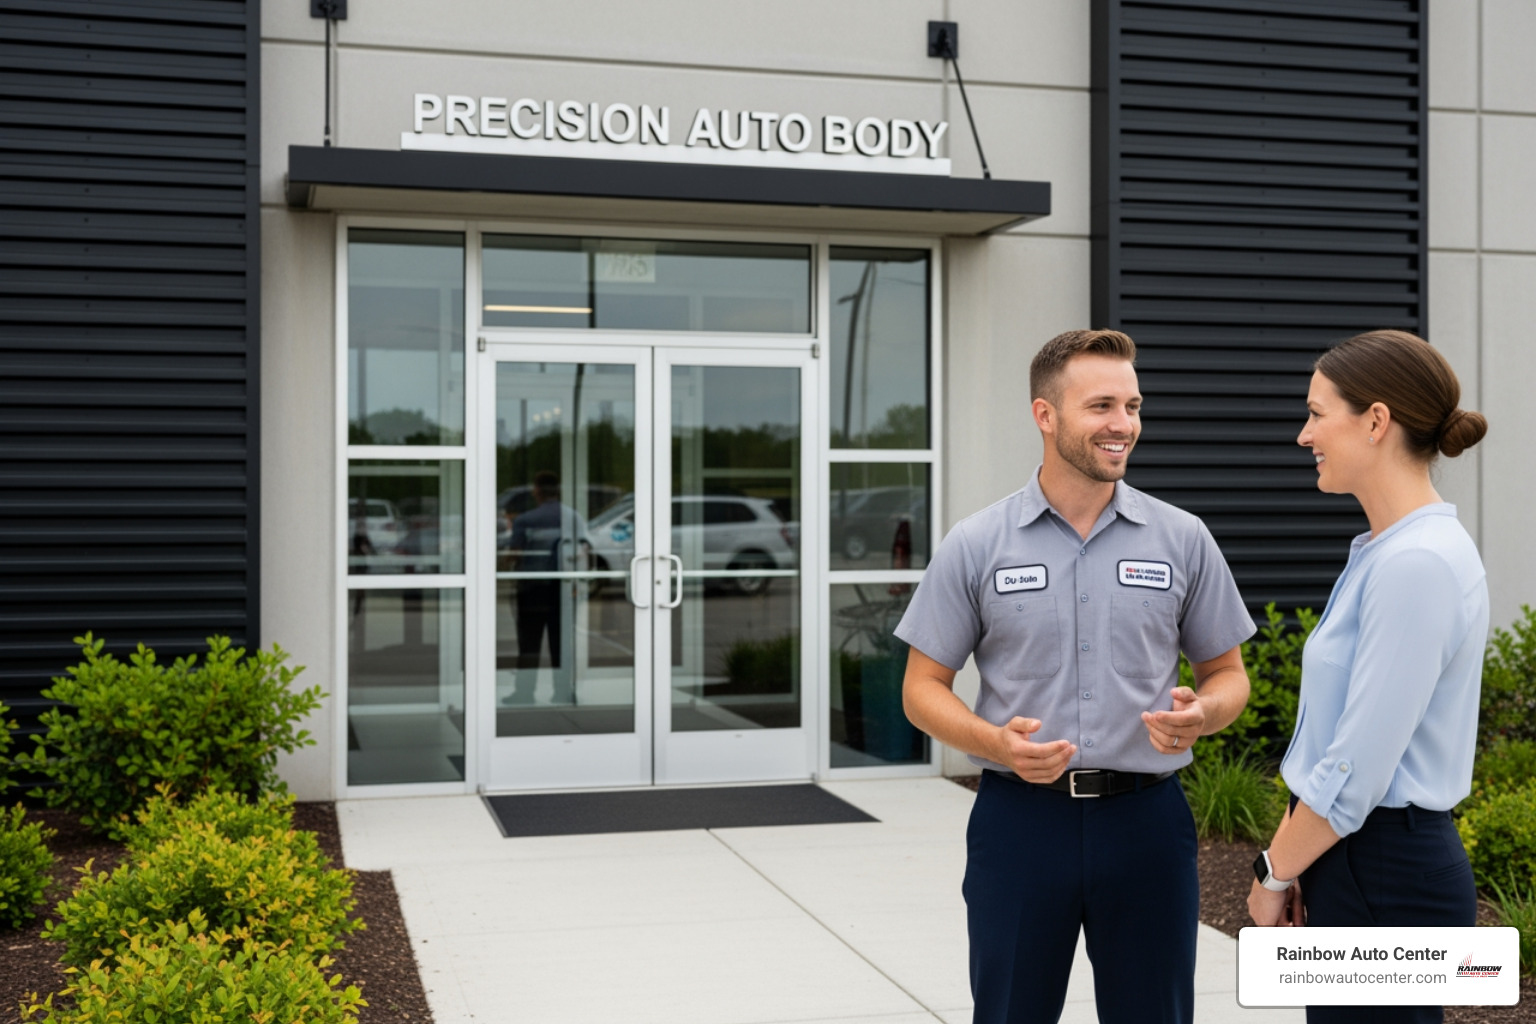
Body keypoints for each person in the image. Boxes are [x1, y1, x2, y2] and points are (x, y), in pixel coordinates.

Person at [897, 329, 1257, 1024]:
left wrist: (1204, 713)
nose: (1123, 424)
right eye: (1101, 406)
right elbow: (921, 689)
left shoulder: (1182, 537)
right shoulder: (977, 543)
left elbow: (1228, 674)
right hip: (1019, 827)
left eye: (1132, 405)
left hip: (1147, 824)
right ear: (1046, 415)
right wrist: (997, 744)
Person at [1247, 330, 1490, 1024]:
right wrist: (1306, 862)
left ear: (1376, 421)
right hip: (1358, 861)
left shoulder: (1416, 565)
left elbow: (1356, 767)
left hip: (1385, 871)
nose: (1304, 435)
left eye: (1318, 413)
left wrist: (1274, 872)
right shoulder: (1388, 553)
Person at [505, 470, 590, 705]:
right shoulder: (574, 517)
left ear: (537, 491)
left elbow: (515, 554)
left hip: (531, 589)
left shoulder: (525, 520)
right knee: (561, 643)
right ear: (557, 490)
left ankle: (524, 694)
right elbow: (584, 550)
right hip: (562, 589)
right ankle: (562, 692)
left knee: (529, 644)